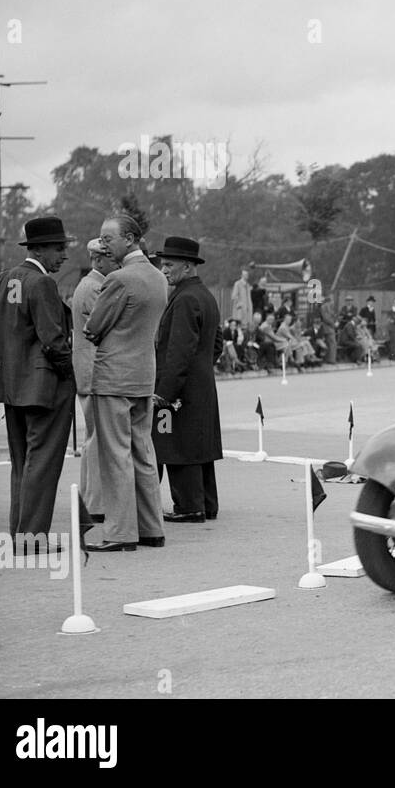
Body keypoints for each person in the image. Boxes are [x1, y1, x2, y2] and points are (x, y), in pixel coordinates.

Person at [0, 217, 77, 553]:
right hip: (43, 387)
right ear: (40, 248)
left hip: (8, 385)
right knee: (43, 463)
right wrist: (68, 372)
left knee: (21, 462)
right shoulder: (42, 283)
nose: (63, 254)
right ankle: (32, 540)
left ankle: (20, 533)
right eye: (59, 247)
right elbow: (53, 340)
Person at [83, 215, 169, 552]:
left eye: (108, 239)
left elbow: (94, 327)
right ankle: (151, 528)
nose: (103, 245)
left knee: (115, 455)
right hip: (143, 375)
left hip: (113, 377)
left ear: (130, 239)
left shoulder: (118, 279)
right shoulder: (159, 278)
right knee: (142, 452)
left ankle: (120, 533)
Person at [154, 237, 224, 523]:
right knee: (199, 445)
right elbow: (216, 343)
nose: (164, 269)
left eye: (169, 264)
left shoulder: (184, 299)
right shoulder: (205, 295)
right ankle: (206, 504)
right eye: (162, 264)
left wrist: (163, 394)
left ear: (187, 266)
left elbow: (177, 352)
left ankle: (189, 506)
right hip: (202, 383)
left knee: (175, 444)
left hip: (180, 386)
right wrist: (202, 368)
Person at [71, 238, 121, 522]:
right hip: (94, 372)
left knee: (95, 439)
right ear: (99, 260)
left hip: (89, 370)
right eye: (113, 259)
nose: (118, 264)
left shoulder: (87, 285)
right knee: (97, 441)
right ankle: (95, 502)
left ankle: (94, 500)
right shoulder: (95, 288)